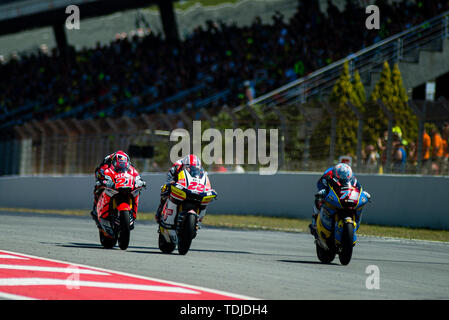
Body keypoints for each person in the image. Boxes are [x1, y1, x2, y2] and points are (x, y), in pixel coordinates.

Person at [309, 163, 371, 235]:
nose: (343, 177)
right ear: (336, 174)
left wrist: (363, 193)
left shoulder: (351, 176)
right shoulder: (328, 175)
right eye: (341, 175)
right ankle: (314, 222)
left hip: (344, 194)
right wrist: (323, 191)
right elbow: (321, 185)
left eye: (346, 175)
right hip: (328, 187)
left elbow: (357, 186)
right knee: (318, 200)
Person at [90, 150, 146, 228]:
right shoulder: (107, 162)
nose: (121, 164)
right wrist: (101, 180)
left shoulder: (130, 168)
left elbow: (136, 175)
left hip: (124, 185)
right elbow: (99, 171)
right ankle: (95, 208)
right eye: (119, 162)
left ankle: (131, 213)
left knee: (137, 190)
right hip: (108, 180)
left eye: (123, 162)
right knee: (98, 188)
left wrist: (140, 182)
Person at [155, 154, 204, 223]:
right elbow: (169, 178)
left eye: (194, 167)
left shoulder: (200, 169)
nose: (190, 169)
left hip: (190, 185)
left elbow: (203, 179)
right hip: (177, 181)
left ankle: (198, 219)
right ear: (184, 165)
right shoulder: (177, 166)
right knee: (165, 190)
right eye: (188, 167)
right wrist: (171, 182)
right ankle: (159, 211)